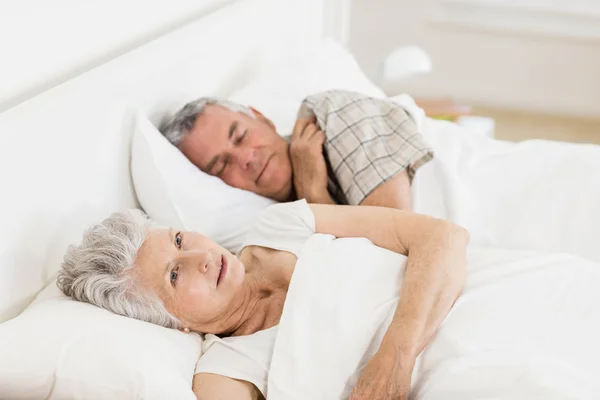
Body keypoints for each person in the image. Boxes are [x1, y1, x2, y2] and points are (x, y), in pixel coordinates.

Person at [57, 200, 469, 400]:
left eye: (179, 240)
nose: (202, 257)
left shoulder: (279, 225)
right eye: (175, 275)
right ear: (172, 322)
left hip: (482, 295)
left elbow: (443, 237)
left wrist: (394, 355)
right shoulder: (225, 373)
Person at [159, 90, 433, 210]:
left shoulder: (330, 114)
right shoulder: (274, 230)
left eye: (241, 135)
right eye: (221, 166)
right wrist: (310, 189)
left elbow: (396, 241)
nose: (246, 158)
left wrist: (313, 194)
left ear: (260, 117)